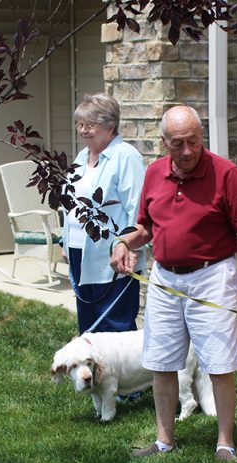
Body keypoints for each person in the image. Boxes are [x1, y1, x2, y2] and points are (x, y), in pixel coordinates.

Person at [110, 105, 237, 462]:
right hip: (165, 278)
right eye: (178, 143)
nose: (186, 151)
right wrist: (122, 243)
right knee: (161, 360)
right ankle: (164, 441)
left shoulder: (225, 173)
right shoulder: (153, 174)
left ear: (202, 137)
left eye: (193, 141)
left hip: (213, 274)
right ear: (163, 142)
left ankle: (225, 443)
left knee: (219, 361)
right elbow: (145, 227)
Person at [64, 93, 146, 333]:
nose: (83, 130)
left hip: (114, 256)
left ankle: (119, 371)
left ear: (110, 126)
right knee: (88, 323)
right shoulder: (81, 158)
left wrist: (131, 247)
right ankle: (94, 370)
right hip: (81, 253)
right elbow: (71, 203)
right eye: (80, 124)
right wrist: (65, 242)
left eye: (90, 125)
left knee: (113, 323)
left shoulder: (125, 156)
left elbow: (137, 208)